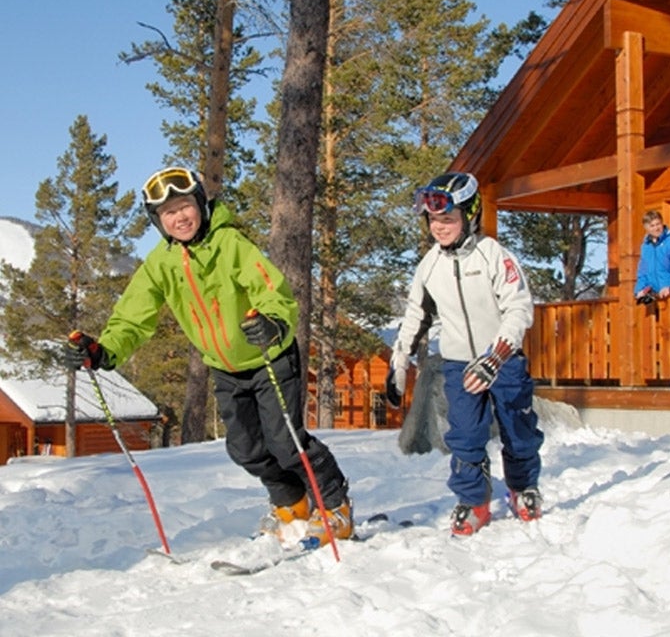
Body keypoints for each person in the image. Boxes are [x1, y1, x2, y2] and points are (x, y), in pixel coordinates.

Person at [63, 166, 352, 549]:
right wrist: (104, 351)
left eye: (184, 206)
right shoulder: (159, 265)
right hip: (226, 369)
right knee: (245, 449)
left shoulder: (231, 245)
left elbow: (272, 290)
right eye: (168, 213)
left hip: (270, 359)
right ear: (158, 222)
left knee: (285, 442)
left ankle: (336, 508)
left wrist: (274, 323)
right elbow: (133, 317)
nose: (179, 217)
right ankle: (292, 504)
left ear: (200, 203)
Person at [386, 172, 544, 536]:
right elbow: (415, 317)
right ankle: (474, 500)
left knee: (518, 430)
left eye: (448, 219)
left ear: (469, 216)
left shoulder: (494, 256)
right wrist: (399, 364)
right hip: (458, 364)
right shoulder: (429, 266)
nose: (439, 227)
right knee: (465, 436)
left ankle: (522, 487)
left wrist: (496, 356)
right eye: (433, 220)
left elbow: (519, 309)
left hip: (503, 362)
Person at [634, 210, 670, 303]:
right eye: (652, 225)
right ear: (646, 228)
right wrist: (640, 290)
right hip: (655, 297)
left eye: (658, 224)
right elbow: (643, 271)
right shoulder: (646, 246)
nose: (656, 228)